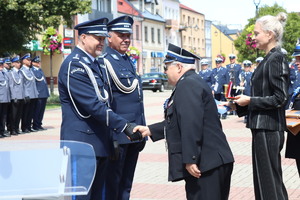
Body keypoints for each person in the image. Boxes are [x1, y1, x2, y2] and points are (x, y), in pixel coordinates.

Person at [134, 43, 234, 200]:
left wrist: (191, 159)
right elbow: (181, 120)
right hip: (212, 161)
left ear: (179, 67)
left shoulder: (188, 84)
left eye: (166, 68)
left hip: (206, 164)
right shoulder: (191, 81)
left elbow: (191, 124)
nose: (165, 72)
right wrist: (150, 130)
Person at [58, 17, 141, 200]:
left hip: (100, 143)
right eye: (98, 38)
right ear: (83, 37)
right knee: (81, 196)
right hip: (82, 144)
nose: (101, 43)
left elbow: (107, 101)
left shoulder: (95, 63)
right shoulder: (74, 65)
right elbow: (93, 106)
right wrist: (124, 126)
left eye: (103, 39)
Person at [229, 12, 289, 199]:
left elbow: (280, 98)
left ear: (269, 34)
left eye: (257, 33)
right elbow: (264, 95)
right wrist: (239, 106)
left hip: (269, 128)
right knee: (265, 182)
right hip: (262, 127)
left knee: (269, 183)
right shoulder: (269, 58)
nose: (253, 37)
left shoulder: (276, 58)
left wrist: (250, 100)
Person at [103, 15, 146, 200]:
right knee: (112, 184)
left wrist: (142, 127)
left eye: (128, 35)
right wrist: (112, 134)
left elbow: (137, 99)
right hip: (118, 134)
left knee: (126, 184)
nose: (126, 39)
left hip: (134, 132)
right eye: (121, 35)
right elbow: (105, 102)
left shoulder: (128, 60)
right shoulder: (104, 61)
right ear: (109, 37)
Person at [285, 38, 300, 177]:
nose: (297, 63)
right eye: (296, 59)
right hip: (296, 130)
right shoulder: (297, 77)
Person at [20, 53, 39, 133]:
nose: (30, 61)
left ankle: (28, 126)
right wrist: (25, 94)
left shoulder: (30, 70)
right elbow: (23, 85)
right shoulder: (22, 71)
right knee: (26, 112)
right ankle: (24, 127)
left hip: (33, 94)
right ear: (24, 61)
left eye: (30, 60)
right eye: (28, 60)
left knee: (31, 112)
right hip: (27, 95)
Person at [31, 56, 50, 131]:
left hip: (44, 93)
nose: (39, 63)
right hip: (38, 94)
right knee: (37, 110)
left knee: (41, 111)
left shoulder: (40, 70)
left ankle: (39, 124)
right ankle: (35, 124)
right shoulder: (32, 70)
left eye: (39, 62)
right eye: (37, 62)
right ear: (33, 63)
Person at [7, 55, 24, 136]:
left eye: (19, 62)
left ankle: (16, 128)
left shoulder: (20, 72)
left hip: (20, 96)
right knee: (13, 114)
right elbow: (11, 86)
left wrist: (23, 96)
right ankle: (12, 129)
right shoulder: (11, 73)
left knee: (19, 114)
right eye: (17, 62)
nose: (19, 64)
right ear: (13, 63)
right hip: (15, 97)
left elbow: (22, 85)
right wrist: (14, 97)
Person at [0, 58, 11, 138]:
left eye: (1, 64)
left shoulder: (4, 73)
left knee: (3, 116)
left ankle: (2, 130)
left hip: (4, 98)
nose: (1, 66)